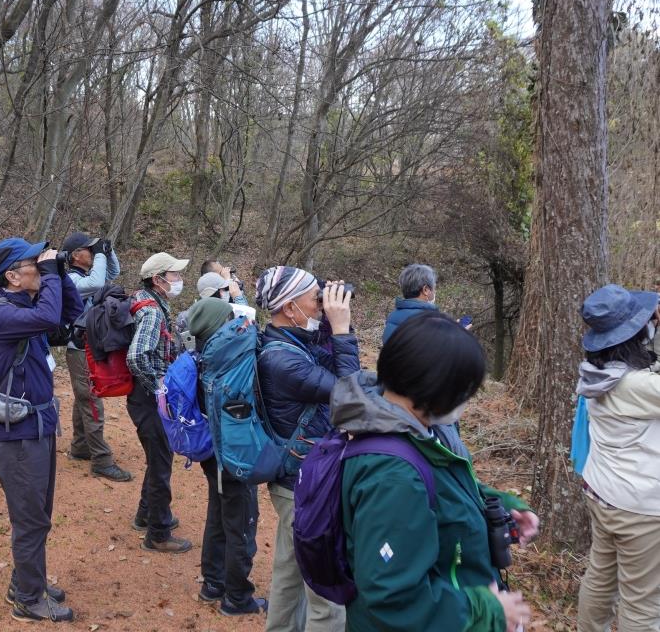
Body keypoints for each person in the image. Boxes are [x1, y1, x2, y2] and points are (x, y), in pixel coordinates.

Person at [331, 312, 537, 631]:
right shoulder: (392, 474)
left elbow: (440, 487)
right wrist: (487, 611)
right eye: (465, 391)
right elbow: (393, 599)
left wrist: (498, 505)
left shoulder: (410, 430)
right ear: (438, 389)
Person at [0, 238, 84, 623]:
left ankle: (24, 581)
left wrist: (57, 271)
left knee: (38, 514)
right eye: (32, 264)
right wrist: (49, 275)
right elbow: (47, 318)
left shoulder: (28, 305)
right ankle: (28, 599)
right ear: (11, 275)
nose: (38, 269)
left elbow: (73, 312)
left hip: (36, 429)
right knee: (30, 520)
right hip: (17, 437)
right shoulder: (1, 315)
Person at [255, 266, 358, 632]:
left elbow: (333, 369)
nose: (319, 304)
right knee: (326, 595)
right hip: (307, 485)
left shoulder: (292, 342)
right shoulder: (282, 360)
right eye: (313, 297)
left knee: (289, 573)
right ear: (288, 307)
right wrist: (342, 331)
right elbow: (350, 396)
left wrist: (332, 325)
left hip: (296, 481)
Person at [576, 284, 660, 631]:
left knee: (600, 577)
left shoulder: (596, 374)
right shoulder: (640, 387)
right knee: (642, 603)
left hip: (602, 492)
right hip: (639, 509)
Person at [186, 298, 266, 616]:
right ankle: (237, 597)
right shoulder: (232, 356)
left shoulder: (205, 352)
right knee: (241, 523)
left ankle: (213, 583)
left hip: (213, 454)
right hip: (232, 454)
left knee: (218, 516)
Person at [127, 252, 191, 553]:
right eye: (174, 274)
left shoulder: (147, 300)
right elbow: (137, 356)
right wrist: (158, 389)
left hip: (145, 397)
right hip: (148, 398)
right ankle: (159, 534)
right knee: (162, 461)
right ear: (158, 279)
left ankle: (146, 514)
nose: (179, 280)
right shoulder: (152, 311)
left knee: (158, 457)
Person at [61, 231, 131, 482]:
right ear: (76, 255)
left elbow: (111, 273)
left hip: (87, 347)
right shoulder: (70, 278)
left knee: (84, 395)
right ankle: (101, 459)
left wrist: (108, 251)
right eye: (89, 250)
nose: (92, 253)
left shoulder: (86, 275)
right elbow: (98, 283)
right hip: (78, 348)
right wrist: (100, 253)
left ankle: (81, 446)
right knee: (91, 399)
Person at [381, 263, 438, 345]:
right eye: (434, 288)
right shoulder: (432, 320)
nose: (435, 292)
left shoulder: (392, 316)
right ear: (426, 290)